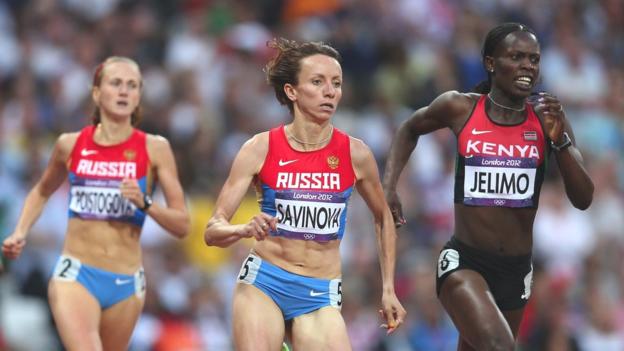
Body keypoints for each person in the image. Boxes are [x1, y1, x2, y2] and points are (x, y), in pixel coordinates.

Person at [382, 22, 594, 351]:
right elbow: (409, 127)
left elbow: (583, 199)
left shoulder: (547, 119)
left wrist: (561, 141)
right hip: (464, 262)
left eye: (534, 59)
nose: (527, 66)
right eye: (517, 57)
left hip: (516, 272)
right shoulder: (461, 108)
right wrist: (389, 185)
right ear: (491, 63)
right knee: (499, 346)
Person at [204, 38, 406, 350]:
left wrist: (389, 288)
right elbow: (212, 230)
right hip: (265, 282)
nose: (330, 92)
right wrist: (242, 229)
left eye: (336, 83)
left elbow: (383, 217)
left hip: (319, 290)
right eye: (317, 82)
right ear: (292, 91)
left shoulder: (355, 153)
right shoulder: (260, 147)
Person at [2, 56, 190, 350]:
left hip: (126, 281)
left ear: (139, 95)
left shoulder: (156, 149)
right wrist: (20, 231)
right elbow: (41, 191)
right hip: (76, 273)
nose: (124, 92)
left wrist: (146, 203)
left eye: (132, 86)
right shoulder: (70, 144)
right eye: (116, 84)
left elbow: (182, 225)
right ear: (96, 92)